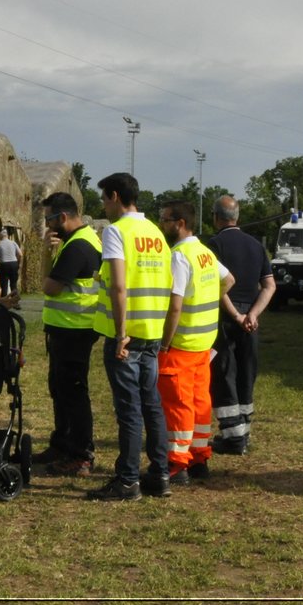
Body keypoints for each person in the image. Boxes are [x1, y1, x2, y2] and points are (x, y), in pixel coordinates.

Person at [86, 172, 173, 501]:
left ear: (114, 196)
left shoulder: (116, 232)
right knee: (152, 405)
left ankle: (127, 481)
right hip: (152, 333)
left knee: (129, 410)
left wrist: (121, 334)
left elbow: (119, 286)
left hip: (126, 336)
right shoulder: (155, 232)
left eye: (104, 199)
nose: (103, 205)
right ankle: (160, 474)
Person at [157, 199, 234, 486]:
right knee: (200, 401)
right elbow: (229, 281)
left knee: (177, 403)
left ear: (179, 223)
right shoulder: (204, 253)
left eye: (165, 219)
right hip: (204, 342)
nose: (162, 224)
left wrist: (164, 344)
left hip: (181, 343)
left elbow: (175, 305)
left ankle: (176, 464)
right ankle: (199, 456)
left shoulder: (179, 255)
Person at [37, 191, 103, 476]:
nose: (47, 227)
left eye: (48, 220)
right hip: (67, 328)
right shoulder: (79, 240)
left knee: (73, 393)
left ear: (62, 217)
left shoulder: (78, 246)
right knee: (60, 389)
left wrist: (43, 255)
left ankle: (80, 454)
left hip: (73, 331)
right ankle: (62, 444)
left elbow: (49, 286)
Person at [205, 195, 275, 455]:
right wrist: (253, 315)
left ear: (215, 217)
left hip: (225, 317)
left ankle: (233, 437)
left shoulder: (214, 245)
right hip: (250, 321)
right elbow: (269, 285)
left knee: (224, 374)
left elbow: (217, 285)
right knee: (247, 373)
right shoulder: (256, 246)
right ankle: (243, 432)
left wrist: (235, 315)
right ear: (238, 217)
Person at [0, 229, 21, 298]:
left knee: (4, 285)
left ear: (0, 236)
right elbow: (20, 254)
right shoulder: (13, 243)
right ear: (7, 236)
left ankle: (3, 303)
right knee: (13, 284)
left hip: (4, 265)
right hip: (14, 264)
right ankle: (15, 303)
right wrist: (17, 263)